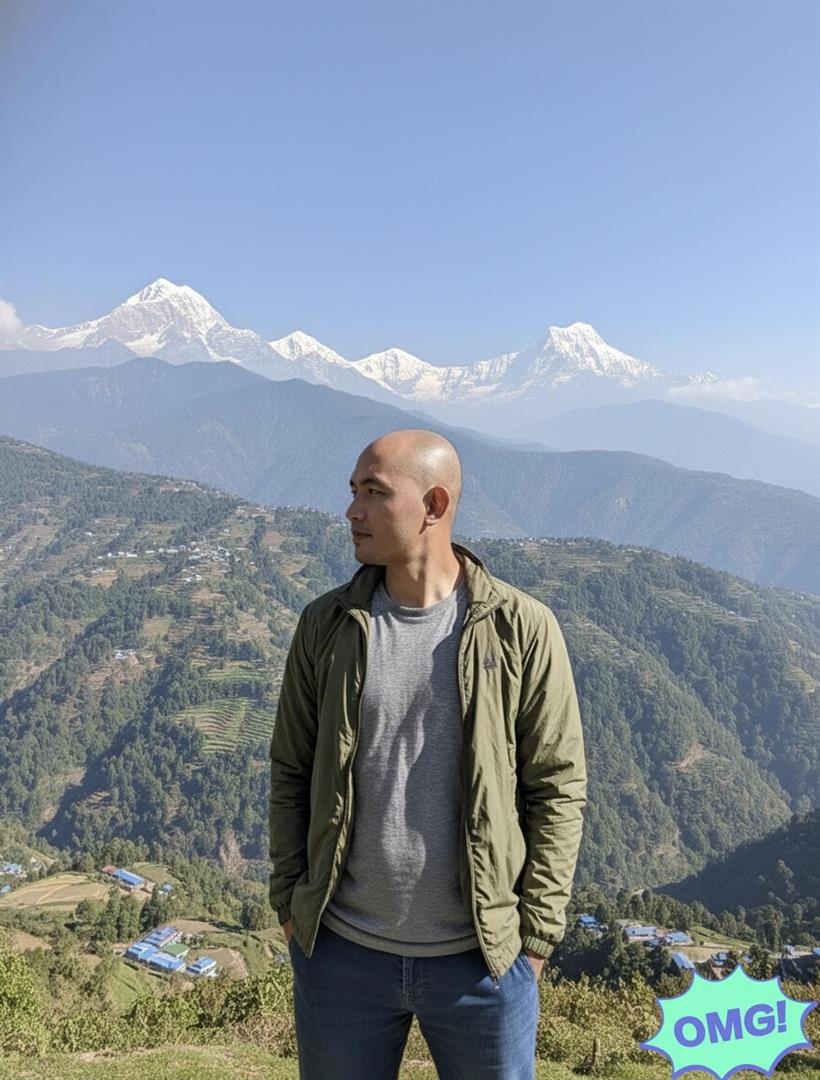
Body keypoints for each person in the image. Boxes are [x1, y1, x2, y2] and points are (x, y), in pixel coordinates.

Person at [269, 428, 587, 1080]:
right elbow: (291, 769)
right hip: (341, 956)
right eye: (353, 491)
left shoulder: (521, 629)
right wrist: (290, 904)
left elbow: (557, 787)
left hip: (483, 962)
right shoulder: (327, 626)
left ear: (433, 505)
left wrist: (534, 938)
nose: (352, 510)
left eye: (373, 493)